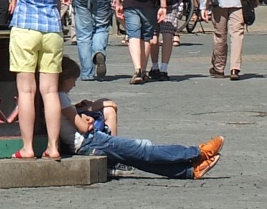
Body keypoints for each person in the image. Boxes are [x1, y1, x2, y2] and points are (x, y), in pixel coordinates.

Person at [58, 58, 223, 179]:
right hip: (89, 141)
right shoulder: (61, 97)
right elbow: (83, 127)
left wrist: (81, 113)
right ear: (65, 79)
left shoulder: (58, 96)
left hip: (85, 143)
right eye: (73, 80)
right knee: (143, 148)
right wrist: (88, 119)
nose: (74, 84)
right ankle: (197, 152)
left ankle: (189, 171)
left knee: (138, 159)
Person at [9, 0, 74, 160]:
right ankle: (53, 147)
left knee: (26, 92)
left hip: (25, 26)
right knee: (50, 92)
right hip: (51, 27)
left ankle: (27, 148)